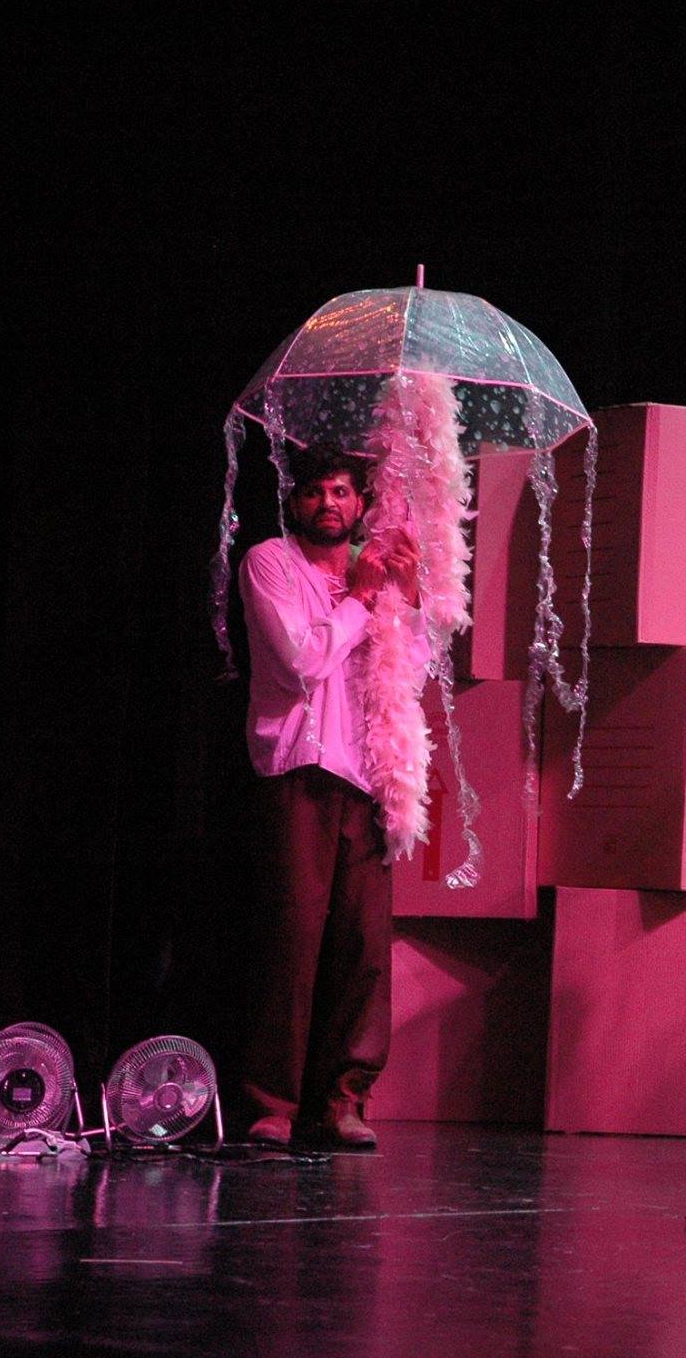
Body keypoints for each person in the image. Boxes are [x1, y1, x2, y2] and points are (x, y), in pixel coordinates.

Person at [237, 443, 418, 1150]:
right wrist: (363, 597)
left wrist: (408, 597)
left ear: (362, 503)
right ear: (293, 501)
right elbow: (302, 658)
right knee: (293, 941)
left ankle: (346, 1099)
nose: (330, 503)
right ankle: (274, 1103)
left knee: (364, 949)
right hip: (300, 771)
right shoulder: (270, 563)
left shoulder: (376, 569)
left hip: (368, 778)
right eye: (315, 491)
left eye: (343, 491)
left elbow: (413, 672)